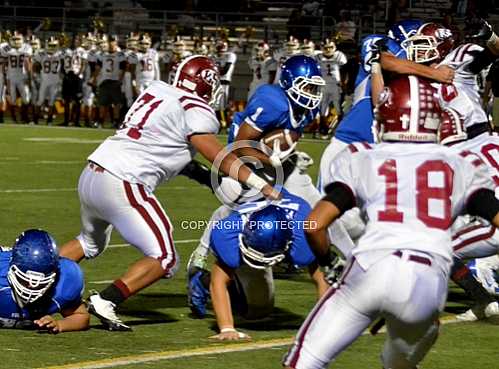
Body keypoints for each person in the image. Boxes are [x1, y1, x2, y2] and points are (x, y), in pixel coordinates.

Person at [283, 75, 499, 369]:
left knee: (303, 362)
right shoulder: (461, 164)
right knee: (400, 362)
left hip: (371, 268)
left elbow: (314, 224)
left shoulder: (362, 156)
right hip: (427, 283)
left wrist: (327, 262)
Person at [59, 55, 280, 331]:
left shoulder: (156, 91)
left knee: (89, 243)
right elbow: (218, 155)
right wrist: (260, 183)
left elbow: (175, 154)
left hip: (93, 172)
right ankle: (105, 300)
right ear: (205, 83)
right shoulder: (195, 108)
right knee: (165, 258)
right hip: (124, 180)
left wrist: (210, 182)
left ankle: (35, 281)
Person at [187, 55, 325, 278]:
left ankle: (291, 253)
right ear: (289, 82)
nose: (312, 94)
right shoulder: (273, 101)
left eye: (314, 88)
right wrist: (271, 159)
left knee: (304, 206)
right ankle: (201, 255)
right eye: (307, 86)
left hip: (273, 158)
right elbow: (241, 145)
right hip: (244, 150)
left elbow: (289, 137)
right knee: (237, 201)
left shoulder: (307, 109)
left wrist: (287, 154)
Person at [188, 189, 330, 341]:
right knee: (254, 305)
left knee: (259, 309)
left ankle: (239, 289)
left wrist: (324, 321)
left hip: (276, 224)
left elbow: (323, 277)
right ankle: (201, 279)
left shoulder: (306, 231)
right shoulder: (230, 230)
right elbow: (219, 280)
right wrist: (227, 328)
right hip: (235, 213)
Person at [0, 229, 89, 333]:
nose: (30, 287)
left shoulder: (63, 283)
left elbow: (81, 317)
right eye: (24, 280)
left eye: (40, 284)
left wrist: (59, 325)